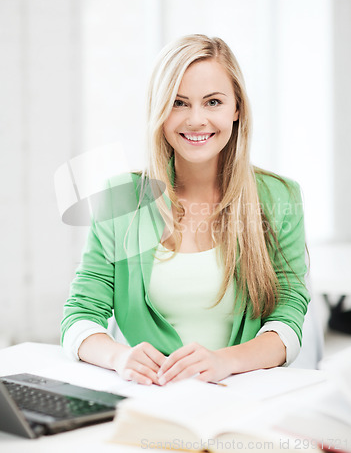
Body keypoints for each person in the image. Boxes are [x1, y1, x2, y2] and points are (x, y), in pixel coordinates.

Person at [61, 34, 310, 386]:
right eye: (179, 103)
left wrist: (224, 362)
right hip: (153, 399)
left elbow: (288, 320)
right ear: (159, 111)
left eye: (213, 102)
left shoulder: (279, 196)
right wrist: (119, 357)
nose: (196, 119)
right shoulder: (122, 199)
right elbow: (80, 316)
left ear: (236, 108)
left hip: (244, 399)